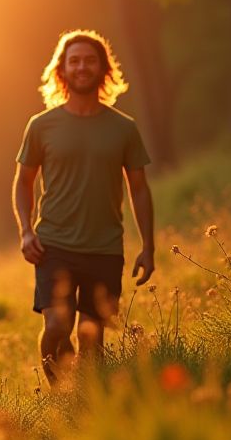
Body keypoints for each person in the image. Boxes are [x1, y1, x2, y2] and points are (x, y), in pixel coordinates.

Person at [12, 29, 154, 385]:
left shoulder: (123, 128)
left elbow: (139, 189)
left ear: (103, 68)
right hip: (54, 245)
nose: (81, 67)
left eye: (90, 61)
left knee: (92, 338)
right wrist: (26, 231)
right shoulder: (41, 125)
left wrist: (149, 247)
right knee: (57, 326)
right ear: (62, 70)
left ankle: (87, 402)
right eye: (74, 61)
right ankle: (60, 394)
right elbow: (23, 182)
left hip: (104, 248)